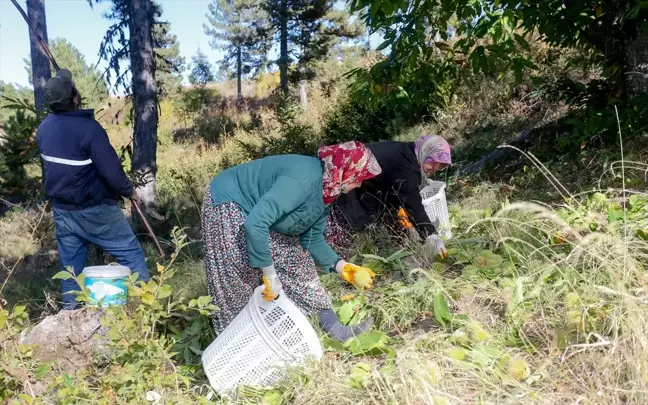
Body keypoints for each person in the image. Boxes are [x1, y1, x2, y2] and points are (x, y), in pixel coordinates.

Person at [202, 141, 382, 341]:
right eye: (359, 179)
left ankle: (336, 330)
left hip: (264, 216)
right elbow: (256, 223)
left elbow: (312, 238)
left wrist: (344, 267)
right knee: (238, 275)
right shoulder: (302, 179)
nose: (359, 185)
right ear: (347, 170)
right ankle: (239, 343)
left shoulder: (329, 190)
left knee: (296, 262)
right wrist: (269, 273)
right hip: (231, 200)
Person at [36, 69, 149, 310]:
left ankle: (70, 318)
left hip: (63, 212)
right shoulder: (89, 130)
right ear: (74, 98)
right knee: (132, 256)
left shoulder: (44, 128)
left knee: (72, 273)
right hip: (96, 210)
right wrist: (130, 191)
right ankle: (148, 310)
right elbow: (111, 173)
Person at [327, 135, 452, 256]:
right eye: (433, 163)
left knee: (395, 225)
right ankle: (331, 266)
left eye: (440, 166)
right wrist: (431, 234)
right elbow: (413, 203)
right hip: (346, 193)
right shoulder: (405, 166)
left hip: (360, 189)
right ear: (425, 152)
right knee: (339, 241)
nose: (434, 169)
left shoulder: (406, 152)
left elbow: (395, 186)